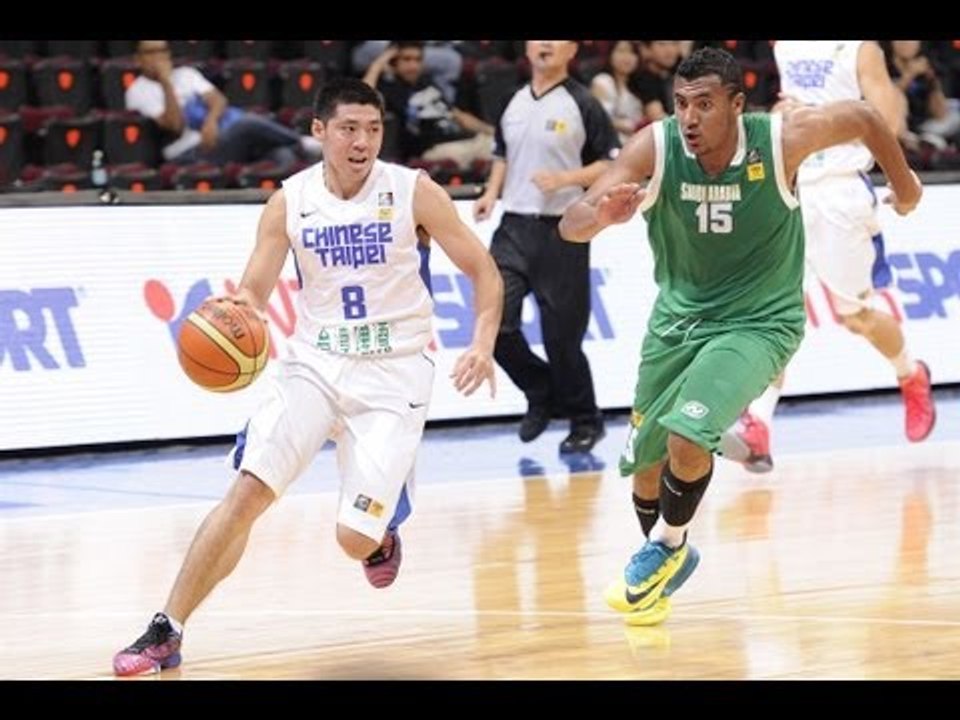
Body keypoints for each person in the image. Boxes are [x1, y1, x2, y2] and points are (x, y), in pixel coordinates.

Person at [112, 77, 503, 676]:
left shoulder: (413, 192)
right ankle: (167, 628)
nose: (362, 141)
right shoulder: (289, 201)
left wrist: (481, 344)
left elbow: (484, 270)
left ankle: (379, 532)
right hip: (314, 363)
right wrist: (237, 313)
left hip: (394, 371)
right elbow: (254, 291)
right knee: (247, 492)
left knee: (352, 540)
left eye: (373, 129)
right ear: (320, 131)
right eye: (349, 128)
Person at [559, 47, 921, 626]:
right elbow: (570, 222)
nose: (690, 118)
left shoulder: (781, 139)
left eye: (704, 105)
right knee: (645, 468)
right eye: (681, 105)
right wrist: (602, 213)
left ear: (736, 104)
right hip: (676, 324)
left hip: (760, 321)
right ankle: (664, 567)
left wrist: (904, 187)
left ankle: (671, 545)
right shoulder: (657, 144)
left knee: (687, 435)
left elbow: (865, 117)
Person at [724, 40, 936, 473]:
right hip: (792, 185)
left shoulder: (859, 49)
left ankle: (910, 373)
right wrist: (781, 118)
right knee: (775, 312)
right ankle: (758, 424)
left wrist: (900, 176)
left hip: (841, 192)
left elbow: (888, 120)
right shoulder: (784, 46)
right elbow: (786, 109)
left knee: (856, 316)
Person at [473, 40, 620, 454]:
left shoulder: (582, 103)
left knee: (562, 338)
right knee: (494, 322)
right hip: (513, 226)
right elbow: (502, 154)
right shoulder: (513, 100)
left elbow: (610, 163)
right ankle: (540, 389)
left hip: (563, 232)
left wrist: (567, 179)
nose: (546, 44)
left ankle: (585, 419)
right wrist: (490, 193)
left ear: (572, 50)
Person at [126, 40, 321, 169]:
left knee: (282, 154)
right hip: (187, 154)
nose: (159, 57)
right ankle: (302, 142)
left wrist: (210, 122)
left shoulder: (186, 74)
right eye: (151, 52)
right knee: (247, 124)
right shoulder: (138, 91)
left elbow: (218, 99)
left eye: (163, 50)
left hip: (219, 139)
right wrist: (166, 82)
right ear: (138, 59)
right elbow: (175, 125)